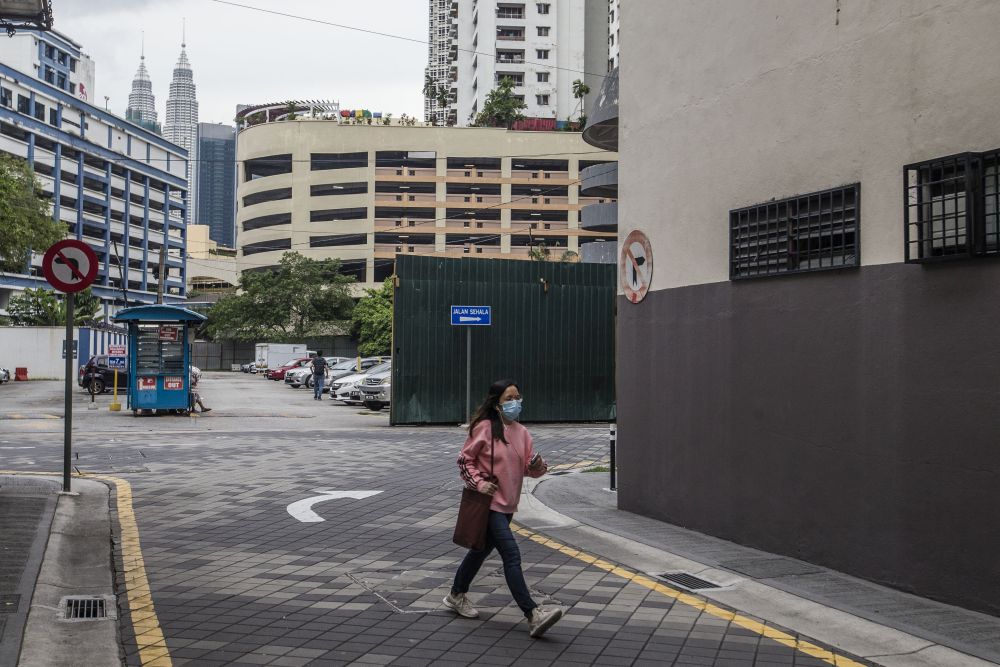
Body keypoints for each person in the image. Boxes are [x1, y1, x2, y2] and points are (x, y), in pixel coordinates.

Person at [444, 379, 565, 638]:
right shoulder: (485, 428)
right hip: (490, 506)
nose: (515, 403)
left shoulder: (522, 433)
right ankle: (533, 614)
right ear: (496, 404)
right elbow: (464, 460)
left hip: (509, 505)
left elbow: (530, 470)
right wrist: (478, 483)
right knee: (511, 555)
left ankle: (456, 594)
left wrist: (538, 465)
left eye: (517, 397)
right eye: (509, 398)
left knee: (479, 552)